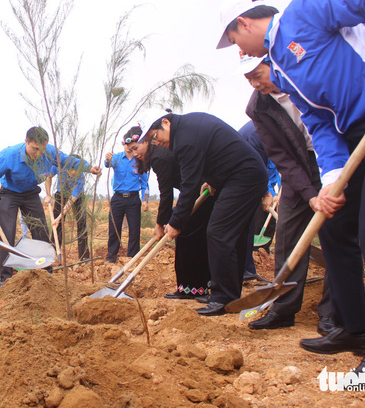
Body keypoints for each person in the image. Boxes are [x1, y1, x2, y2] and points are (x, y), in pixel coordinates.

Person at [218, 0, 365, 380]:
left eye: (235, 41)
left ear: (244, 23)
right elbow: (320, 125)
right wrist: (330, 181)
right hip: (353, 137)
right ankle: (354, 328)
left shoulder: (302, 13)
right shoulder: (283, 71)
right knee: (335, 227)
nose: (240, 51)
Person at [239, 53, 333, 334]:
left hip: (333, 159)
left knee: (335, 237)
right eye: (247, 79)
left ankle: (333, 313)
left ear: (274, 63)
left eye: (257, 74)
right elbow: (280, 155)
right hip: (297, 169)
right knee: (288, 236)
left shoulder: (308, 78)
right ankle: (283, 308)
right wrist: (308, 193)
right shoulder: (258, 107)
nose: (254, 83)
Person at [144, 112, 267, 316]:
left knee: (218, 232)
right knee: (232, 236)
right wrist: (214, 178)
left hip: (244, 177)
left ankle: (223, 297)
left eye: (155, 136)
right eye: (152, 141)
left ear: (166, 122)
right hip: (242, 175)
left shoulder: (185, 139)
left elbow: (189, 185)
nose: (156, 143)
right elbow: (214, 155)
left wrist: (175, 222)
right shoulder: (188, 128)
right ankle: (229, 295)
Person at [0, 127, 100, 285]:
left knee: (42, 233)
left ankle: (46, 274)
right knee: (6, 235)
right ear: (26, 142)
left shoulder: (49, 152)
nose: (38, 154)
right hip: (10, 194)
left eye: (42, 150)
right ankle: (6, 279)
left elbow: (68, 160)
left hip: (31, 195)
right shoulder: (9, 155)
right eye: (34, 149)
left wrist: (89, 168)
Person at [126, 121, 214, 300]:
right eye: (132, 151)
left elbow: (166, 194)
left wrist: (161, 224)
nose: (136, 154)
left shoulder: (159, 157)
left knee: (190, 239)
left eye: (137, 148)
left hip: (199, 193)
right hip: (193, 192)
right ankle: (193, 288)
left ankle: (193, 288)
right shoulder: (156, 155)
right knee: (187, 239)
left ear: (147, 142)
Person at [238, 120, 280, 282]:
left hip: (259, 182)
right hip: (245, 181)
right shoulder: (257, 133)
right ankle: (240, 271)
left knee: (249, 225)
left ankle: (247, 270)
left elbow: (279, 166)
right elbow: (259, 166)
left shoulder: (272, 132)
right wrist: (266, 192)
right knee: (243, 225)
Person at [104, 127, 149, 263]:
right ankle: (111, 257)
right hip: (117, 199)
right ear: (124, 144)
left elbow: (145, 184)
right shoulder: (116, 158)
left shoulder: (140, 160)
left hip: (133, 199)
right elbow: (107, 164)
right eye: (128, 147)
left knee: (134, 230)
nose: (131, 150)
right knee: (114, 229)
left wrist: (145, 200)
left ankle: (132, 258)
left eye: (134, 147)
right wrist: (107, 159)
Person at [45, 158, 89, 260]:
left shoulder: (80, 179)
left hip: (76, 197)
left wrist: (60, 216)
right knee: (56, 224)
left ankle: (84, 256)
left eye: (77, 169)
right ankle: (54, 252)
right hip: (61, 195)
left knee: (82, 223)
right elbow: (48, 177)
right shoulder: (59, 166)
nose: (74, 172)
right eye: (72, 169)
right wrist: (48, 194)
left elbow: (71, 201)